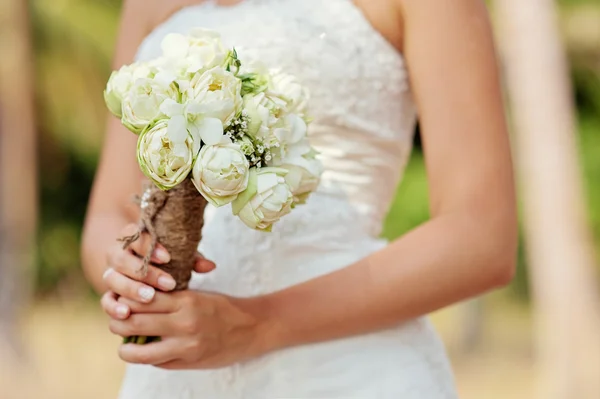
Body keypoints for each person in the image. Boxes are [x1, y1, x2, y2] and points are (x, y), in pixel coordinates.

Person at [82, 0, 517, 397]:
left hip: (350, 370)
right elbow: (109, 214)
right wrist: (127, 269)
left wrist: (256, 325)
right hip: (177, 372)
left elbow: (480, 236)